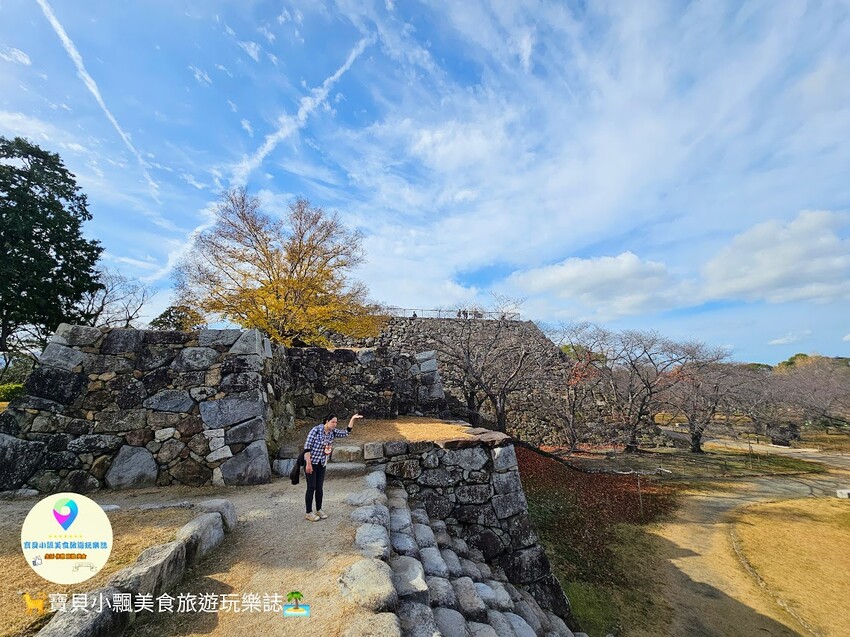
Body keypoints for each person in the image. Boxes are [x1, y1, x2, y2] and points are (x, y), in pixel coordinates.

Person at [303, 412, 363, 521]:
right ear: (327, 421)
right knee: (311, 487)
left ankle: (319, 509)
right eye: (333, 422)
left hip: (322, 462)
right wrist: (308, 464)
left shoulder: (332, 432)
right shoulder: (315, 431)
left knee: (319, 487)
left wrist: (352, 419)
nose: (335, 424)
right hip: (311, 462)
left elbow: (346, 433)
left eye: (336, 422)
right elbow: (307, 448)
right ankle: (308, 512)